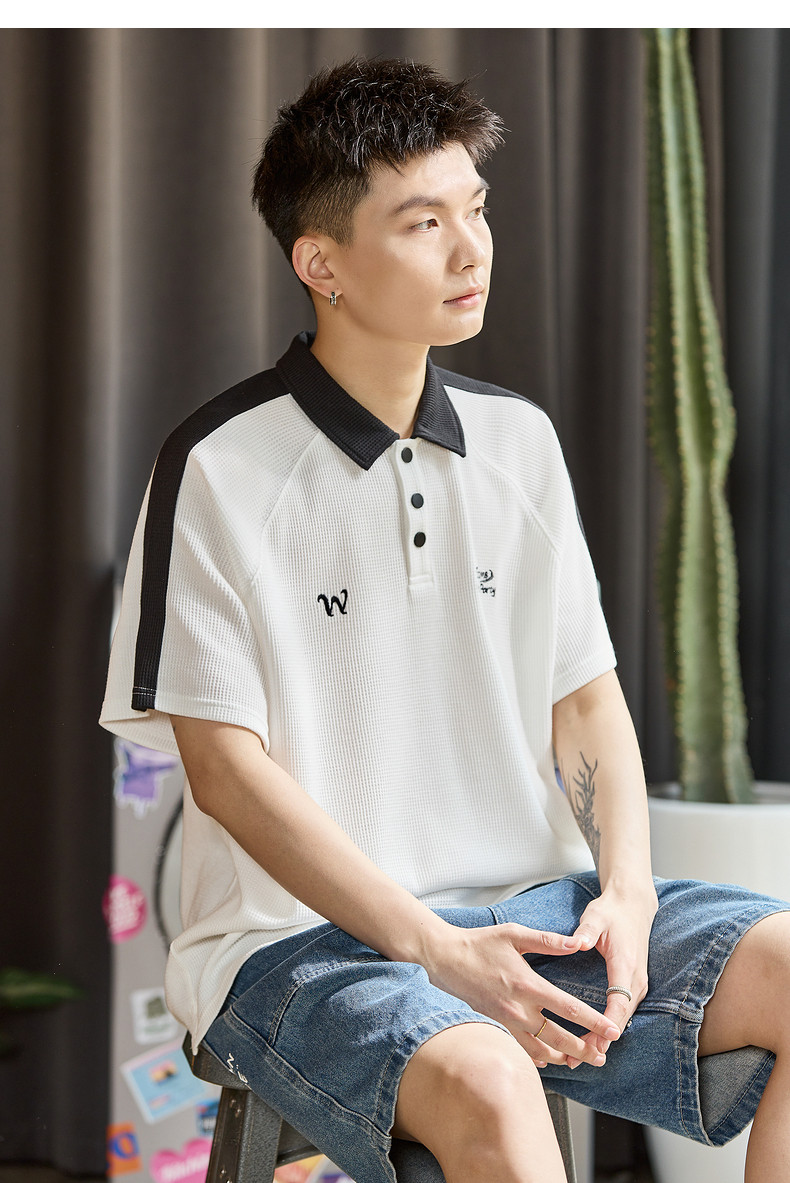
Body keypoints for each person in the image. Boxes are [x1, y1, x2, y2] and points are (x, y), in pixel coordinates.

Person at [101, 58, 790, 1183]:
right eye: (425, 223)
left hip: (537, 906)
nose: (471, 251)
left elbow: (586, 701)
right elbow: (224, 772)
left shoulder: (521, 443)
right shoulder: (218, 467)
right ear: (320, 263)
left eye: (477, 209)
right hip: (297, 946)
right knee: (490, 1076)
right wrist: (434, 947)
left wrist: (627, 888)